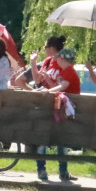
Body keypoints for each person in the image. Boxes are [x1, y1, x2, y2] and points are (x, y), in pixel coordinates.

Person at [36, 47, 81, 182]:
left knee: (45, 139)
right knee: (61, 142)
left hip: (64, 113)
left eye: (58, 59)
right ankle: (63, 172)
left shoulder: (68, 71)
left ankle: (42, 170)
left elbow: (63, 87)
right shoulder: (67, 71)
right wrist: (48, 83)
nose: (56, 61)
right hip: (63, 113)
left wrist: (47, 91)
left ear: (62, 59)